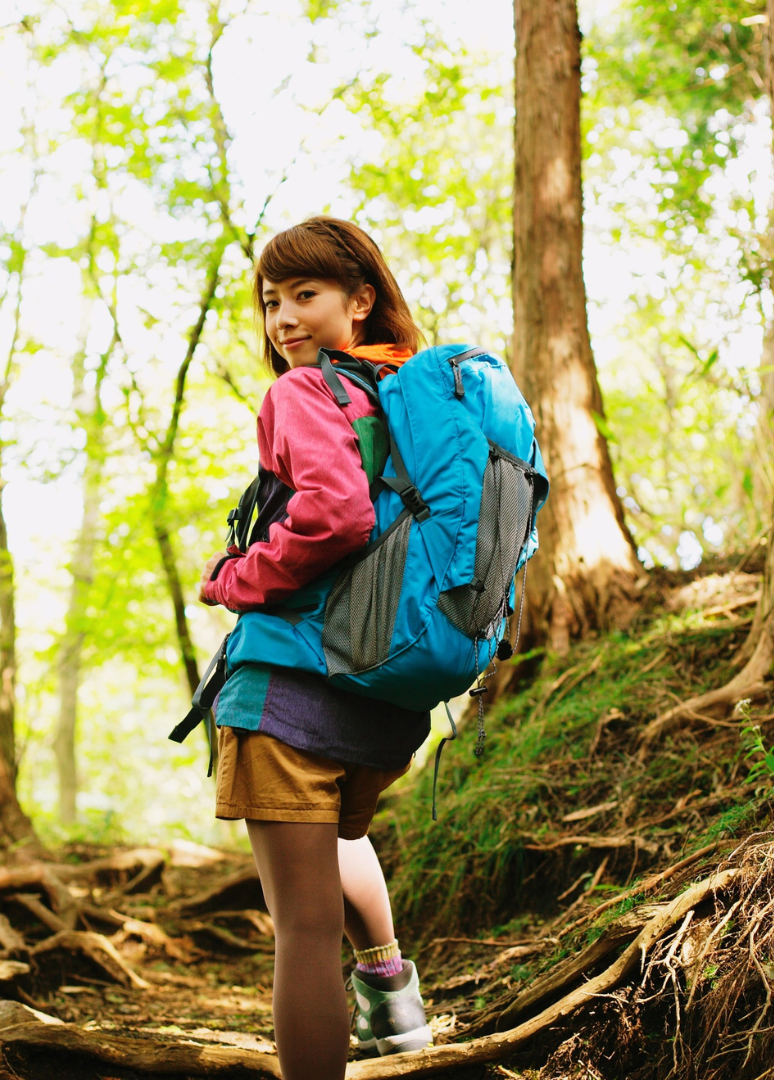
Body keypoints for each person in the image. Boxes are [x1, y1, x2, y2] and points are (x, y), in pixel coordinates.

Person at [198, 217, 434, 1080]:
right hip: (380, 691)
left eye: (306, 295)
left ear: (360, 300)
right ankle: (392, 994)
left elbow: (337, 517)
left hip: (290, 686)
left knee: (300, 929)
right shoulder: (405, 393)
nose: (284, 319)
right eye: (271, 302)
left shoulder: (302, 392)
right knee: (335, 839)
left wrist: (237, 577)